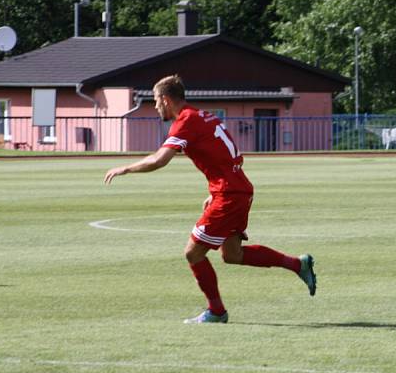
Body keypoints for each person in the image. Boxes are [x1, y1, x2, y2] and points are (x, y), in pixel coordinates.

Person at [104, 74, 316, 323]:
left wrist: (125, 169)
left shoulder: (185, 121)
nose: (156, 107)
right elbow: (230, 155)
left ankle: (216, 311)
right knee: (232, 255)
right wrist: (213, 190)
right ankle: (298, 265)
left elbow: (160, 159)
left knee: (193, 253)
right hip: (237, 188)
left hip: (228, 194)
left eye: (155, 101)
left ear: (165, 99)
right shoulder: (204, 116)